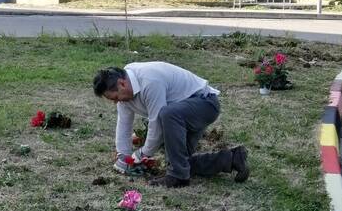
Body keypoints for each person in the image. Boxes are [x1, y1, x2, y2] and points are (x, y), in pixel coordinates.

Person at [93, 61, 249, 188]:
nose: (115, 102)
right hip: (181, 113)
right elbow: (124, 124)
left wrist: (141, 154)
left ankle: (178, 177)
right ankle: (232, 158)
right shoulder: (126, 91)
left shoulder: (149, 81)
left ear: (121, 84)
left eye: (114, 97)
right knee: (180, 162)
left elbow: (156, 124)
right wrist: (124, 156)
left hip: (204, 104)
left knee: (167, 114)